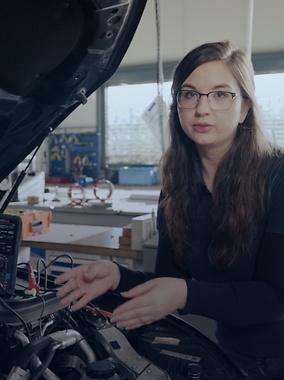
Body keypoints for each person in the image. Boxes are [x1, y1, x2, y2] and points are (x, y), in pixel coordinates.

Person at [55, 41, 284, 379]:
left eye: (221, 94)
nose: (202, 109)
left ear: (245, 108)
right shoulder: (178, 185)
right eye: (190, 94)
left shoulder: (277, 176)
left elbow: (275, 298)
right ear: (177, 105)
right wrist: (118, 276)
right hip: (229, 353)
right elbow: (170, 281)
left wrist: (183, 293)